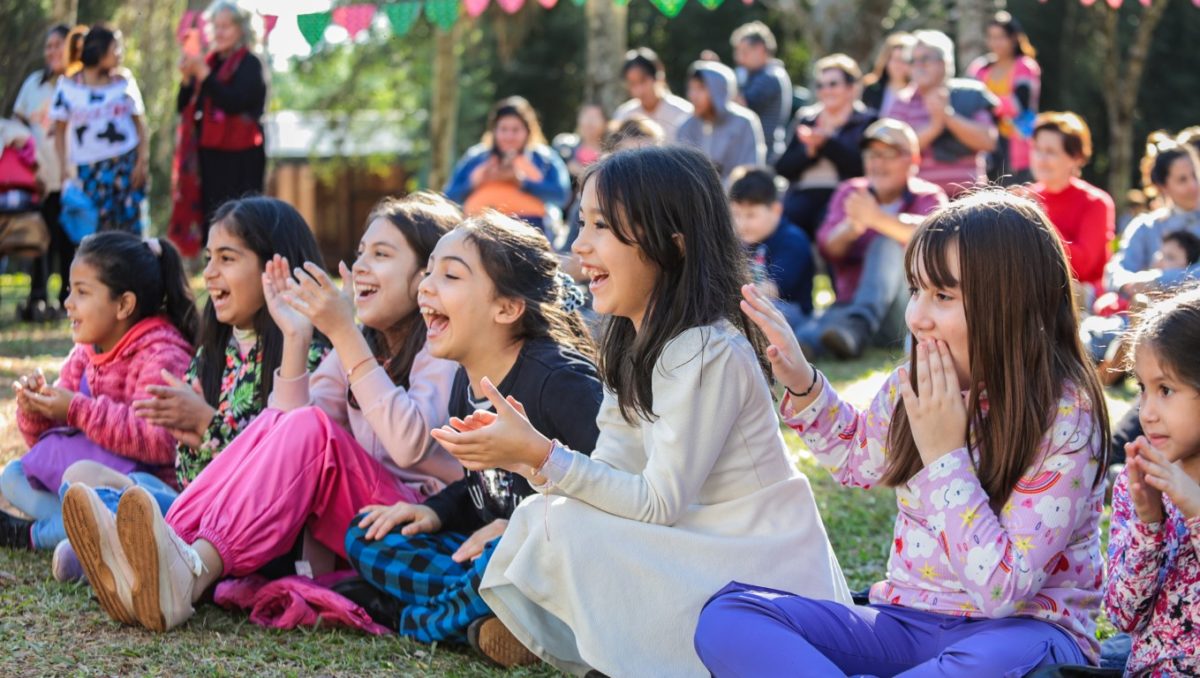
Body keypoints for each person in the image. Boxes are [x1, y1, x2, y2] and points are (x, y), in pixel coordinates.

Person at [435, 146, 850, 676]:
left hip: (760, 566)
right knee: (548, 516)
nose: (580, 246)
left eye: (602, 227)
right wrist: (526, 459)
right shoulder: (634, 344)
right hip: (702, 543)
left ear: (671, 244)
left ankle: (606, 648)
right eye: (581, 223)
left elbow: (658, 502)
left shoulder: (707, 349)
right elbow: (612, 471)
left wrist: (543, 453)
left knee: (557, 525)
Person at [696, 190, 1111, 676]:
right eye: (915, 290)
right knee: (730, 616)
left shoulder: (1066, 415)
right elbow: (856, 459)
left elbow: (1004, 591)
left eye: (943, 296)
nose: (917, 316)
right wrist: (802, 381)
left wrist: (944, 455)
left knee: (1010, 660)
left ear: (1012, 303)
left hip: (1021, 632)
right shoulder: (911, 385)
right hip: (905, 624)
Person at [62, 193, 465, 633]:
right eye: (361, 252)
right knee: (294, 424)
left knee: (305, 427)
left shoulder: (439, 348)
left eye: (381, 254)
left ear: (427, 278)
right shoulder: (360, 346)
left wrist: (344, 334)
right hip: (363, 521)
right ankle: (169, 551)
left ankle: (188, 568)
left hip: (419, 528)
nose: (361, 266)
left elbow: (408, 445)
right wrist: (296, 336)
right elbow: (285, 436)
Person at [338, 213, 602, 657]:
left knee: (501, 559)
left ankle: (409, 617)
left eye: (450, 275)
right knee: (368, 534)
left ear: (506, 307)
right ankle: (486, 619)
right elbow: (483, 487)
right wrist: (433, 513)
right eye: (429, 272)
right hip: (489, 557)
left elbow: (610, 493)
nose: (426, 287)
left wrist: (523, 527)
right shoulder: (467, 382)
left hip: (553, 557)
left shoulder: (561, 383)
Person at [45, 197, 329, 583]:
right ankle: (128, 551)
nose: (209, 273)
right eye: (209, 258)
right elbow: (193, 484)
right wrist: (190, 439)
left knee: (123, 503)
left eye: (227, 259)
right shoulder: (213, 355)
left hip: (254, 541)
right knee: (81, 476)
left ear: (275, 265)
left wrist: (206, 425)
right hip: (199, 515)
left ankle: (123, 554)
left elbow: (285, 477)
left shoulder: (310, 355)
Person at [1, 233, 197, 553]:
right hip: (85, 482)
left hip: (143, 489)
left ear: (123, 304)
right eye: (69, 290)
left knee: (109, 505)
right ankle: (85, 535)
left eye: (82, 292)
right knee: (13, 475)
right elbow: (51, 444)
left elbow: (160, 441)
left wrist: (77, 410)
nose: (67, 303)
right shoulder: (85, 351)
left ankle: (36, 537)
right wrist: (37, 410)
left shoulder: (162, 354)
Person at [1105, 287, 1200, 677]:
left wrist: (1195, 510)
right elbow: (1122, 616)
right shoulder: (1140, 484)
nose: (1146, 412)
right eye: (1142, 389)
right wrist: (1149, 526)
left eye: (1165, 390)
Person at [802, 119, 947, 360]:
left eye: (888, 153)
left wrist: (876, 219)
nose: (877, 162)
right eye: (871, 154)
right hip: (846, 307)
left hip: (905, 314)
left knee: (886, 244)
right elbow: (828, 247)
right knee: (803, 336)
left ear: (913, 159)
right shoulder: (851, 191)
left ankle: (857, 326)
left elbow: (936, 237)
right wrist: (850, 228)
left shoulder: (929, 195)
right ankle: (827, 339)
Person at [173, 1, 268, 253]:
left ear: (242, 29)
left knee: (242, 220)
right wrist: (186, 79)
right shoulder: (210, 63)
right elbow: (183, 106)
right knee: (213, 219)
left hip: (242, 155)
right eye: (216, 26)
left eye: (227, 26)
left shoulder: (250, 63)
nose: (220, 32)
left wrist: (204, 75)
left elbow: (234, 102)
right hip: (209, 154)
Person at [49, 25, 148, 233]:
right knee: (97, 236)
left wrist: (141, 161)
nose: (120, 54)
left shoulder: (123, 83)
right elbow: (59, 131)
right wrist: (63, 170)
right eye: (115, 48)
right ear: (99, 51)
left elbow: (140, 124)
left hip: (125, 166)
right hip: (90, 170)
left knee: (129, 232)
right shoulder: (68, 88)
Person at [882, 30, 998, 197]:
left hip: (969, 202)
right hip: (920, 203)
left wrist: (948, 116)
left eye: (925, 59)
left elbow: (988, 141)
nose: (918, 66)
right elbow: (894, 150)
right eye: (912, 61)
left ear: (945, 62)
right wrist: (934, 127)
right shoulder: (901, 102)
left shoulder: (970, 94)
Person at [774, 54, 876, 240]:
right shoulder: (807, 118)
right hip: (802, 194)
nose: (826, 90)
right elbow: (782, 167)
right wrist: (809, 152)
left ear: (851, 88)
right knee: (785, 231)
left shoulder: (868, 121)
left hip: (845, 195)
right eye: (821, 85)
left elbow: (863, 168)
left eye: (833, 84)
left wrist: (827, 144)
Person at [444, 96, 570, 243]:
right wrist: (475, 182)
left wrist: (522, 183)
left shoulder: (543, 158)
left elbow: (561, 195)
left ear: (528, 132)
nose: (509, 137)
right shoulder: (476, 158)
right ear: (494, 131)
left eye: (515, 130)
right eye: (503, 129)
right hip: (478, 230)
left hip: (529, 231)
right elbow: (449, 197)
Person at [14, 24, 73, 322]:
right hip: (39, 179)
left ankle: (69, 298)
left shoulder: (79, 84)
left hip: (70, 179)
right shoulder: (33, 85)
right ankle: (37, 297)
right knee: (38, 239)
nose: (51, 51)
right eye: (48, 46)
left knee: (69, 242)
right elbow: (18, 128)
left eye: (58, 45)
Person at [1027, 112, 1115, 301]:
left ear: (1075, 158)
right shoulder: (1024, 197)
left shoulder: (1096, 203)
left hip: (1081, 301)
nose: (1041, 158)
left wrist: (1040, 221)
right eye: (1037, 149)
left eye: (1050, 152)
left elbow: (1082, 267)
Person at [1106, 136, 1200, 298]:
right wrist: (1128, 285)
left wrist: (1157, 280)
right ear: (1163, 186)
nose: (1193, 185)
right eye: (1182, 180)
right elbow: (1117, 271)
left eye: (1195, 175)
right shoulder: (1146, 227)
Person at [728, 165, 814, 335]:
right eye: (736, 214)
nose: (741, 224)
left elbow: (772, 290)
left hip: (790, 312)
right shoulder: (738, 242)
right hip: (749, 304)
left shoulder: (792, 240)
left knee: (755, 311)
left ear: (776, 209)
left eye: (751, 215)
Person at [968, 11, 1041, 184]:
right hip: (986, 141)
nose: (996, 43)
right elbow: (970, 102)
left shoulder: (1025, 67)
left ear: (1014, 38)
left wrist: (986, 103)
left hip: (1018, 142)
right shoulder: (980, 68)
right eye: (992, 37)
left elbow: (1019, 104)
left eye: (1001, 37)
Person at [678, 61, 766, 182]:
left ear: (719, 90)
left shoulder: (744, 123)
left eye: (701, 88)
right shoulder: (686, 125)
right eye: (691, 88)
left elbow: (750, 170)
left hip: (736, 198)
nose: (693, 95)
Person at [730, 21, 793, 163]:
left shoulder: (769, 76)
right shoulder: (762, 74)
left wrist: (720, 82)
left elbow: (740, 106)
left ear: (760, 49)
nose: (739, 58)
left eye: (744, 52)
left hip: (762, 156)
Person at [613, 47, 693, 142]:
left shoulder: (682, 112)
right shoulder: (624, 114)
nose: (639, 90)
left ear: (658, 76)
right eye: (632, 84)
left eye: (643, 81)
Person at [861, 32, 914, 113]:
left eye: (904, 60)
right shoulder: (871, 88)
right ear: (886, 60)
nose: (899, 65)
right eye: (895, 59)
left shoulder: (918, 92)